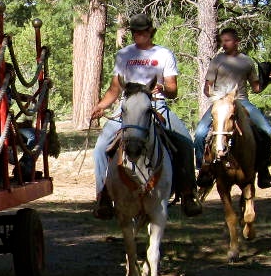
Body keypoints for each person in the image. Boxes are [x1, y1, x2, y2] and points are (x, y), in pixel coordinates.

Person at [86, 13, 202, 219]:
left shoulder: (164, 54)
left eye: (142, 31)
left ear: (151, 31)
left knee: (186, 143)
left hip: (156, 106)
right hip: (128, 107)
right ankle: (102, 197)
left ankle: (188, 193)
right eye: (135, 31)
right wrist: (101, 105)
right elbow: (115, 88)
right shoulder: (123, 55)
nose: (138, 35)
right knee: (100, 148)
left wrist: (162, 88)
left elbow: (173, 89)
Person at [193, 26, 271, 189]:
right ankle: (203, 169)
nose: (224, 44)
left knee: (266, 130)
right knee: (200, 133)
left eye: (227, 41)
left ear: (237, 41)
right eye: (222, 41)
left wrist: (268, 79)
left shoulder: (247, 61)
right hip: (220, 102)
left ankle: (263, 169)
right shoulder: (216, 61)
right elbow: (207, 87)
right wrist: (216, 98)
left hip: (241, 101)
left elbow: (256, 88)